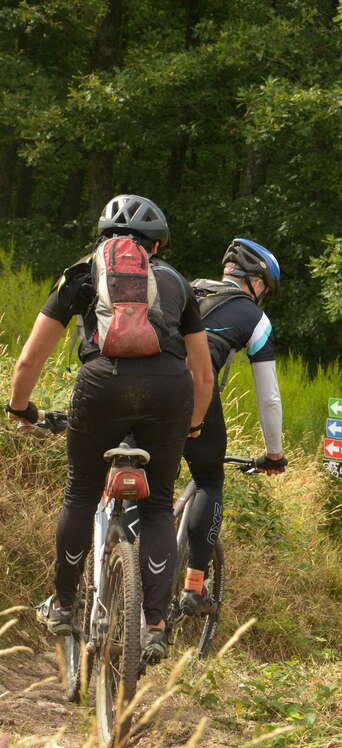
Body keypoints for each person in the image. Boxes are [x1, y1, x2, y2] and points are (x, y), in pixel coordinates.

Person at [5, 194, 213, 661]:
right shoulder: (178, 283)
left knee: (81, 492)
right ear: (155, 248)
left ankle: (61, 604)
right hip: (168, 390)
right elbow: (203, 373)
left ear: (104, 240)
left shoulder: (81, 273)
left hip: (102, 385)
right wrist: (193, 426)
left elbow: (29, 359)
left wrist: (21, 409)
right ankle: (156, 625)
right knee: (158, 505)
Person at [179, 238, 287, 616]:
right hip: (195, 396)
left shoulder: (183, 288)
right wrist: (274, 454)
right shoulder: (254, 317)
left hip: (143, 385)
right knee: (208, 479)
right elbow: (268, 398)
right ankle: (194, 584)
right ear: (257, 282)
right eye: (265, 290)